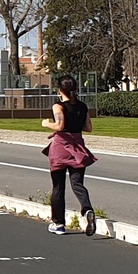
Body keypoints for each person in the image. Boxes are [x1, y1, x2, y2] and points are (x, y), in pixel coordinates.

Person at [41, 76, 97, 235]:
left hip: (60, 147)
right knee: (77, 184)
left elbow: (59, 125)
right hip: (77, 146)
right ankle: (87, 210)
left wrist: (46, 124)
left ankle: (58, 223)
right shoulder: (83, 106)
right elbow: (88, 127)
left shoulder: (58, 106)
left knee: (58, 186)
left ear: (60, 90)